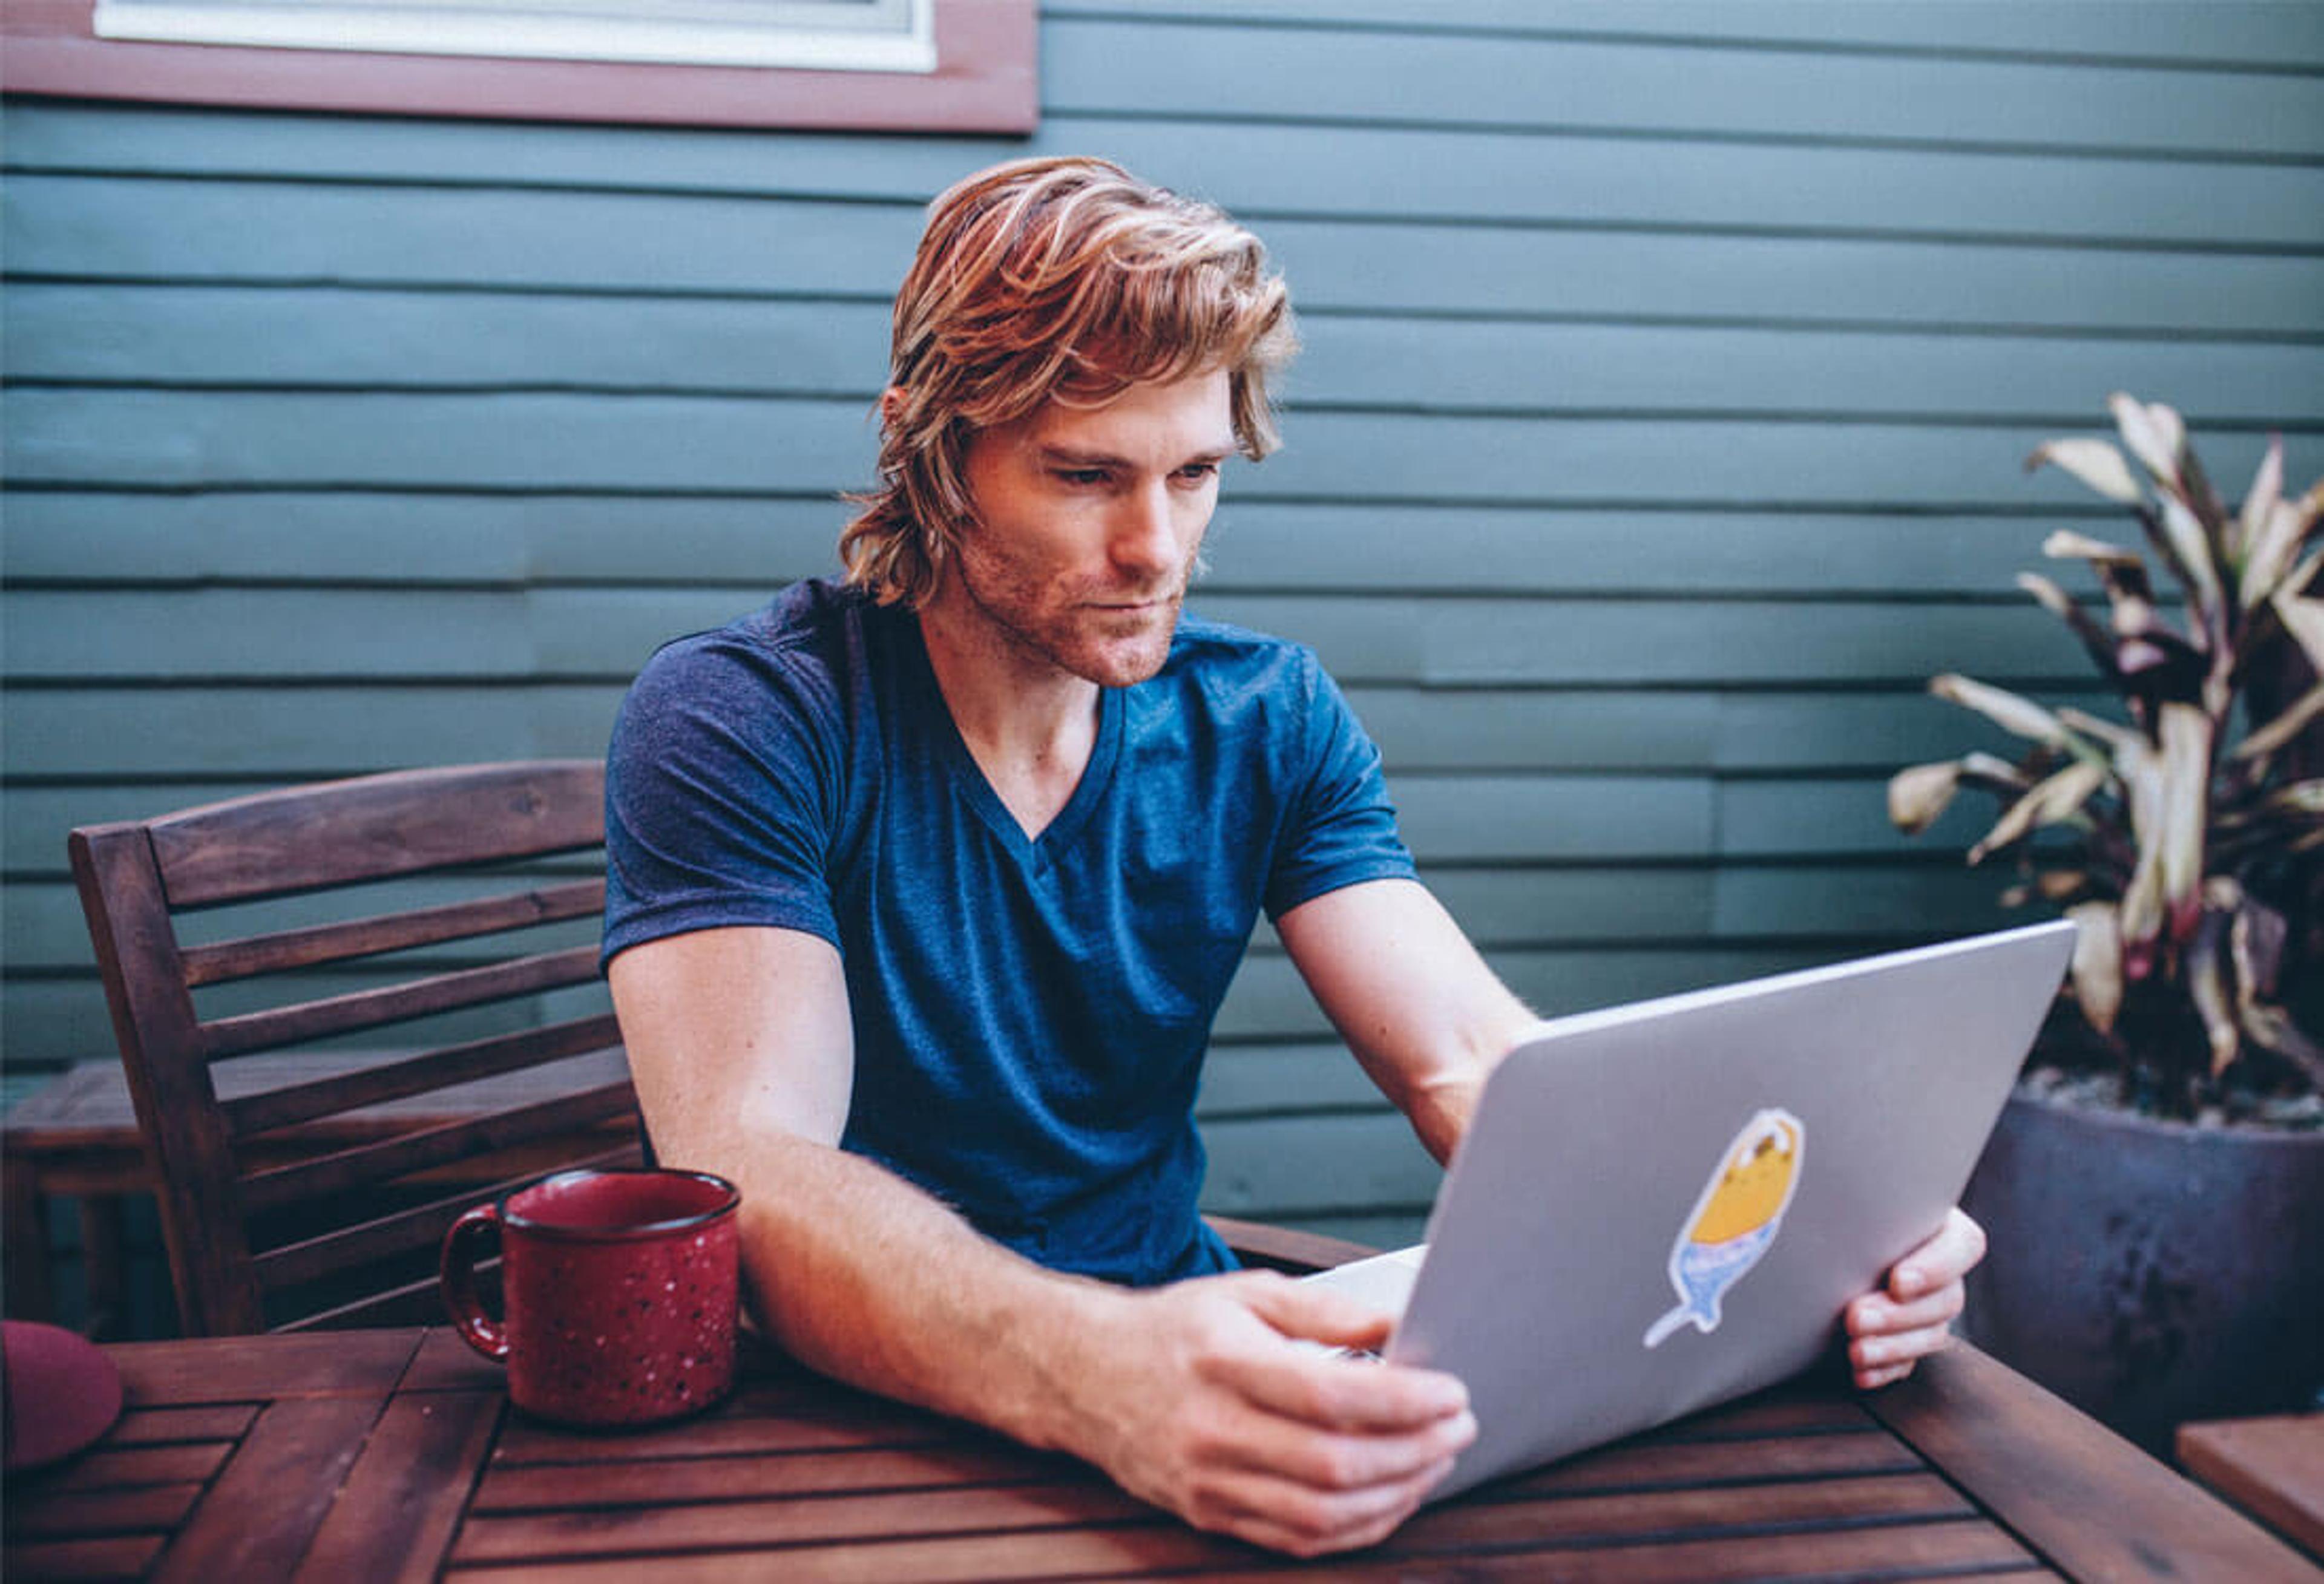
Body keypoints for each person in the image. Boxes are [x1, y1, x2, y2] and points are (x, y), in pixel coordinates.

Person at [600, 155, 1986, 1557]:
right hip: (843, 1435)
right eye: (1088, 475)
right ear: (930, 449)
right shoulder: (751, 717)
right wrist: (1097, 1372)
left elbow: (1475, 1063)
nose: (1157, 546)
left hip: (1193, 1377)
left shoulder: (1266, 720)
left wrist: (1816, 1245)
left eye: (1195, 473)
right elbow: (751, 1167)